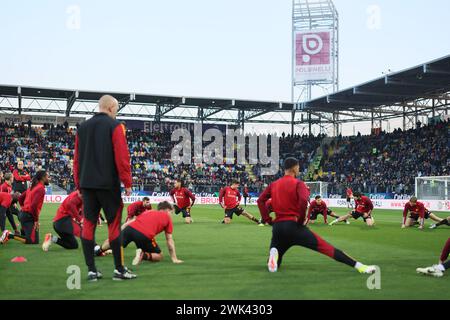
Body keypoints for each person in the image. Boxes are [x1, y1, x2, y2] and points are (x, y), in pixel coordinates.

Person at [257, 158, 376, 274]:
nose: (299, 169)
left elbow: (260, 201)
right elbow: (304, 201)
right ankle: (361, 267)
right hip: (294, 226)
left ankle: (274, 253)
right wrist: (301, 221)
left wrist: (267, 219)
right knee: (328, 249)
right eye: (298, 167)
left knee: (276, 259)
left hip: (278, 228)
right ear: (294, 168)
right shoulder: (299, 183)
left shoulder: (274, 184)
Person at [74, 95, 135, 282]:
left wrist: (78, 184)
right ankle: (119, 270)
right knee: (114, 225)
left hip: (87, 184)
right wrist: (127, 182)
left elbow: (76, 159)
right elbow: (122, 156)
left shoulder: (82, 128)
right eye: (116, 109)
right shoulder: (115, 126)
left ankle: (91, 270)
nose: (116, 112)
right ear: (110, 108)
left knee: (89, 224)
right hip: (108, 184)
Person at [97, 201, 183, 266]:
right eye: (171, 212)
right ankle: (143, 255)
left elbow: (130, 222)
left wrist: (119, 232)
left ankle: (99, 251)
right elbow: (169, 240)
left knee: (113, 242)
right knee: (159, 256)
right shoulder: (167, 218)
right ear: (167, 210)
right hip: (144, 235)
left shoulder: (147, 212)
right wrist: (174, 258)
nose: (171, 214)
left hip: (130, 229)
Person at [0, 171, 49, 245]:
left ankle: (23, 230)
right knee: (33, 241)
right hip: (28, 216)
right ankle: (9, 235)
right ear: (42, 178)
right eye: (47, 177)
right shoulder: (40, 188)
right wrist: (36, 220)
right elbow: (33, 205)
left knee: (31, 238)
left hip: (23, 215)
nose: (48, 178)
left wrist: (23, 208)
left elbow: (20, 198)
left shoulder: (32, 187)